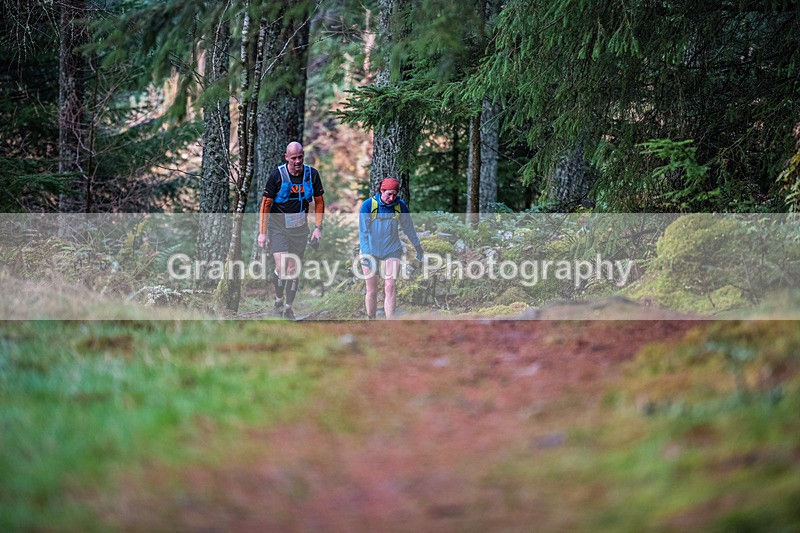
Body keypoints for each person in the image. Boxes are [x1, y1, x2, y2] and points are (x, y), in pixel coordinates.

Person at [258, 142, 324, 320]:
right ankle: (278, 302)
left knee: (293, 269)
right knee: (281, 265)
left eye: (300, 157)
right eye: (293, 158)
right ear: (286, 157)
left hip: (300, 229)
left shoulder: (312, 174)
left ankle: (288, 308)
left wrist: (318, 228)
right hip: (278, 227)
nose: (297, 161)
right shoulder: (277, 175)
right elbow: (265, 204)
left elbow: (319, 201)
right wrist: (262, 232)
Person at [358, 177, 424, 319]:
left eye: (394, 194)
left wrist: (418, 247)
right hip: (370, 250)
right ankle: (371, 320)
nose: (391, 198)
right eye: (389, 194)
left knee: (390, 286)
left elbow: (409, 229)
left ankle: (390, 323)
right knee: (371, 290)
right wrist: (367, 255)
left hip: (392, 249)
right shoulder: (368, 205)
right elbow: (363, 233)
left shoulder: (400, 206)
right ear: (381, 191)